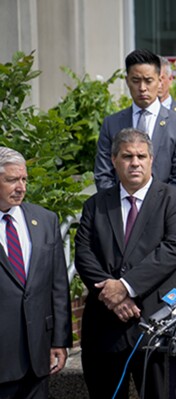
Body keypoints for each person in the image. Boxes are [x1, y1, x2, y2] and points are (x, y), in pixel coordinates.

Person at [75, 128, 176, 399]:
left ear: (152, 159)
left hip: (157, 325)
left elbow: (173, 250)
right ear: (114, 160)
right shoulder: (95, 205)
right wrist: (114, 297)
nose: (135, 162)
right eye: (127, 156)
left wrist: (126, 287)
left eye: (141, 156)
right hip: (105, 328)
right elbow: (84, 254)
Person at [0, 147, 72, 398]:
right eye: (11, 180)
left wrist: (60, 340)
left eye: (24, 179)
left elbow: (58, 286)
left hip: (37, 357)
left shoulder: (45, 220)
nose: (21, 187)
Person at [94, 49, 176, 191]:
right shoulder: (111, 124)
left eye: (148, 81)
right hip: (120, 209)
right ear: (127, 81)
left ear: (159, 82)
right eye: (136, 81)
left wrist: (154, 207)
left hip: (163, 208)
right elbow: (103, 175)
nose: (142, 88)